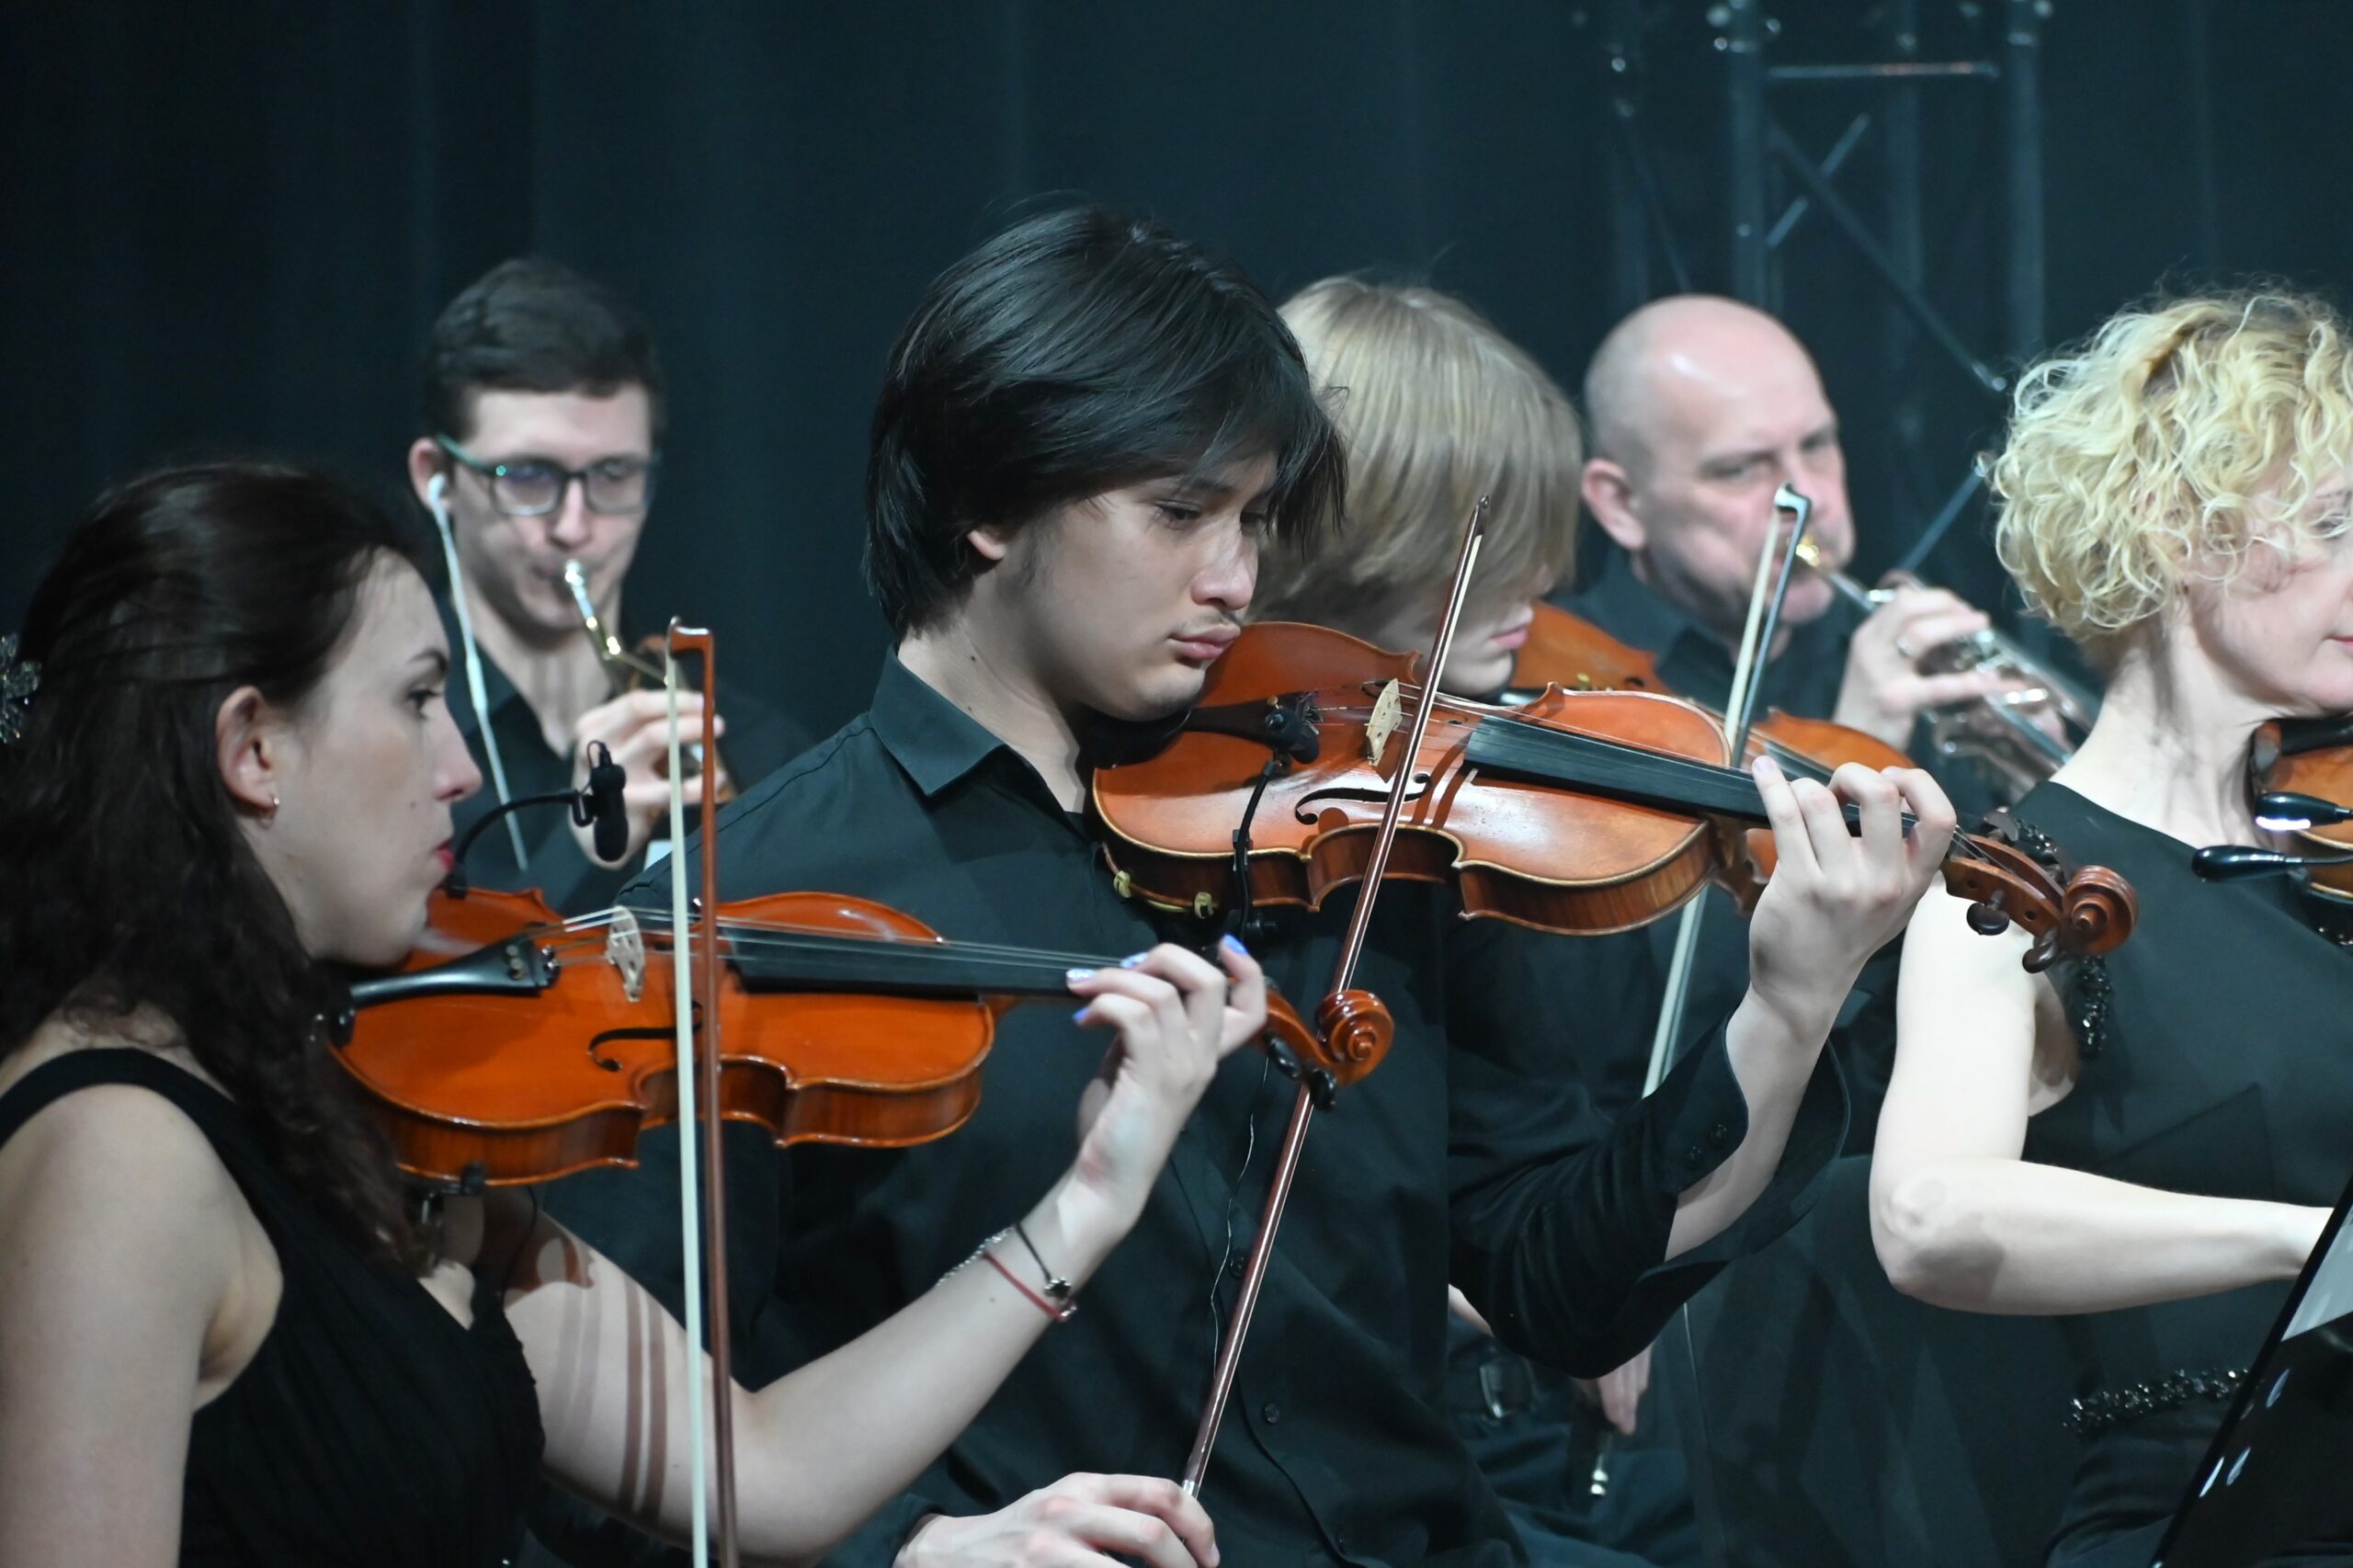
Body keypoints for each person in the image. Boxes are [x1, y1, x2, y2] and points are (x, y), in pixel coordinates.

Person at [626, 205, 1958, 1566]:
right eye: (1180, 512)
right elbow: (597, 1429)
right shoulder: (756, 900)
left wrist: (1788, 1005)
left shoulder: (1347, 827)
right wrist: (913, 1549)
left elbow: (1560, 1285)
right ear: (986, 503)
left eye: (1256, 518)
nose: (1236, 577)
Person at [0, 462, 1262, 1567]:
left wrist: (1088, 1200)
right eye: (417, 698)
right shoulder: (119, 1151)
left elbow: (760, 1471)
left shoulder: (357, 1114)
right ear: (253, 748)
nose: (462, 767)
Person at [1871, 290, 2353, 1565]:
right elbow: (1926, 1215)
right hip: (2219, 1524)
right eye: (2330, 524)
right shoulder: (2015, 886)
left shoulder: (2331, 839)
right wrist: (2309, 1246)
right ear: (2175, 528)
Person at [1248, 276, 1706, 1567]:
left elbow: (1534, 1219)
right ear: (1363, 530)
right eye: (1489, 539)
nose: (1548, 579)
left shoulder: (1443, 838)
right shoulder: (1189, 810)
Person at [406, 257, 806, 915]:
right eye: (527, 475)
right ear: (436, 479)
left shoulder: (757, 747)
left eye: (614, 474)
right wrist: (580, 856)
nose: (574, 527)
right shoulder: (383, 741)